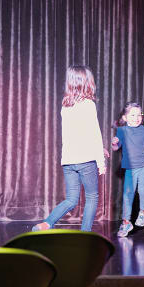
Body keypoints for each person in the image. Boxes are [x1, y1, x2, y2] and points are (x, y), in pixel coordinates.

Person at [32, 65, 106, 232]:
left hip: (69, 160)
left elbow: (76, 135)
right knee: (92, 197)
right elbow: (94, 134)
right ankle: (85, 234)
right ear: (86, 83)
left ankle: (46, 223)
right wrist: (100, 162)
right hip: (86, 160)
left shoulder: (66, 106)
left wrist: (100, 150)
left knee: (71, 199)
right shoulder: (88, 104)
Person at [111, 102, 144, 237]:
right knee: (128, 195)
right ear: (125, 118)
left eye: (139, 115)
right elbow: (116, 147)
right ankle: (126, 223)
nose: (136, 118)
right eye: (132, 115)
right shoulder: (122, 131)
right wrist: (114, 143)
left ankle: (143, 212)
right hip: (130, 169)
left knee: (143, 189)